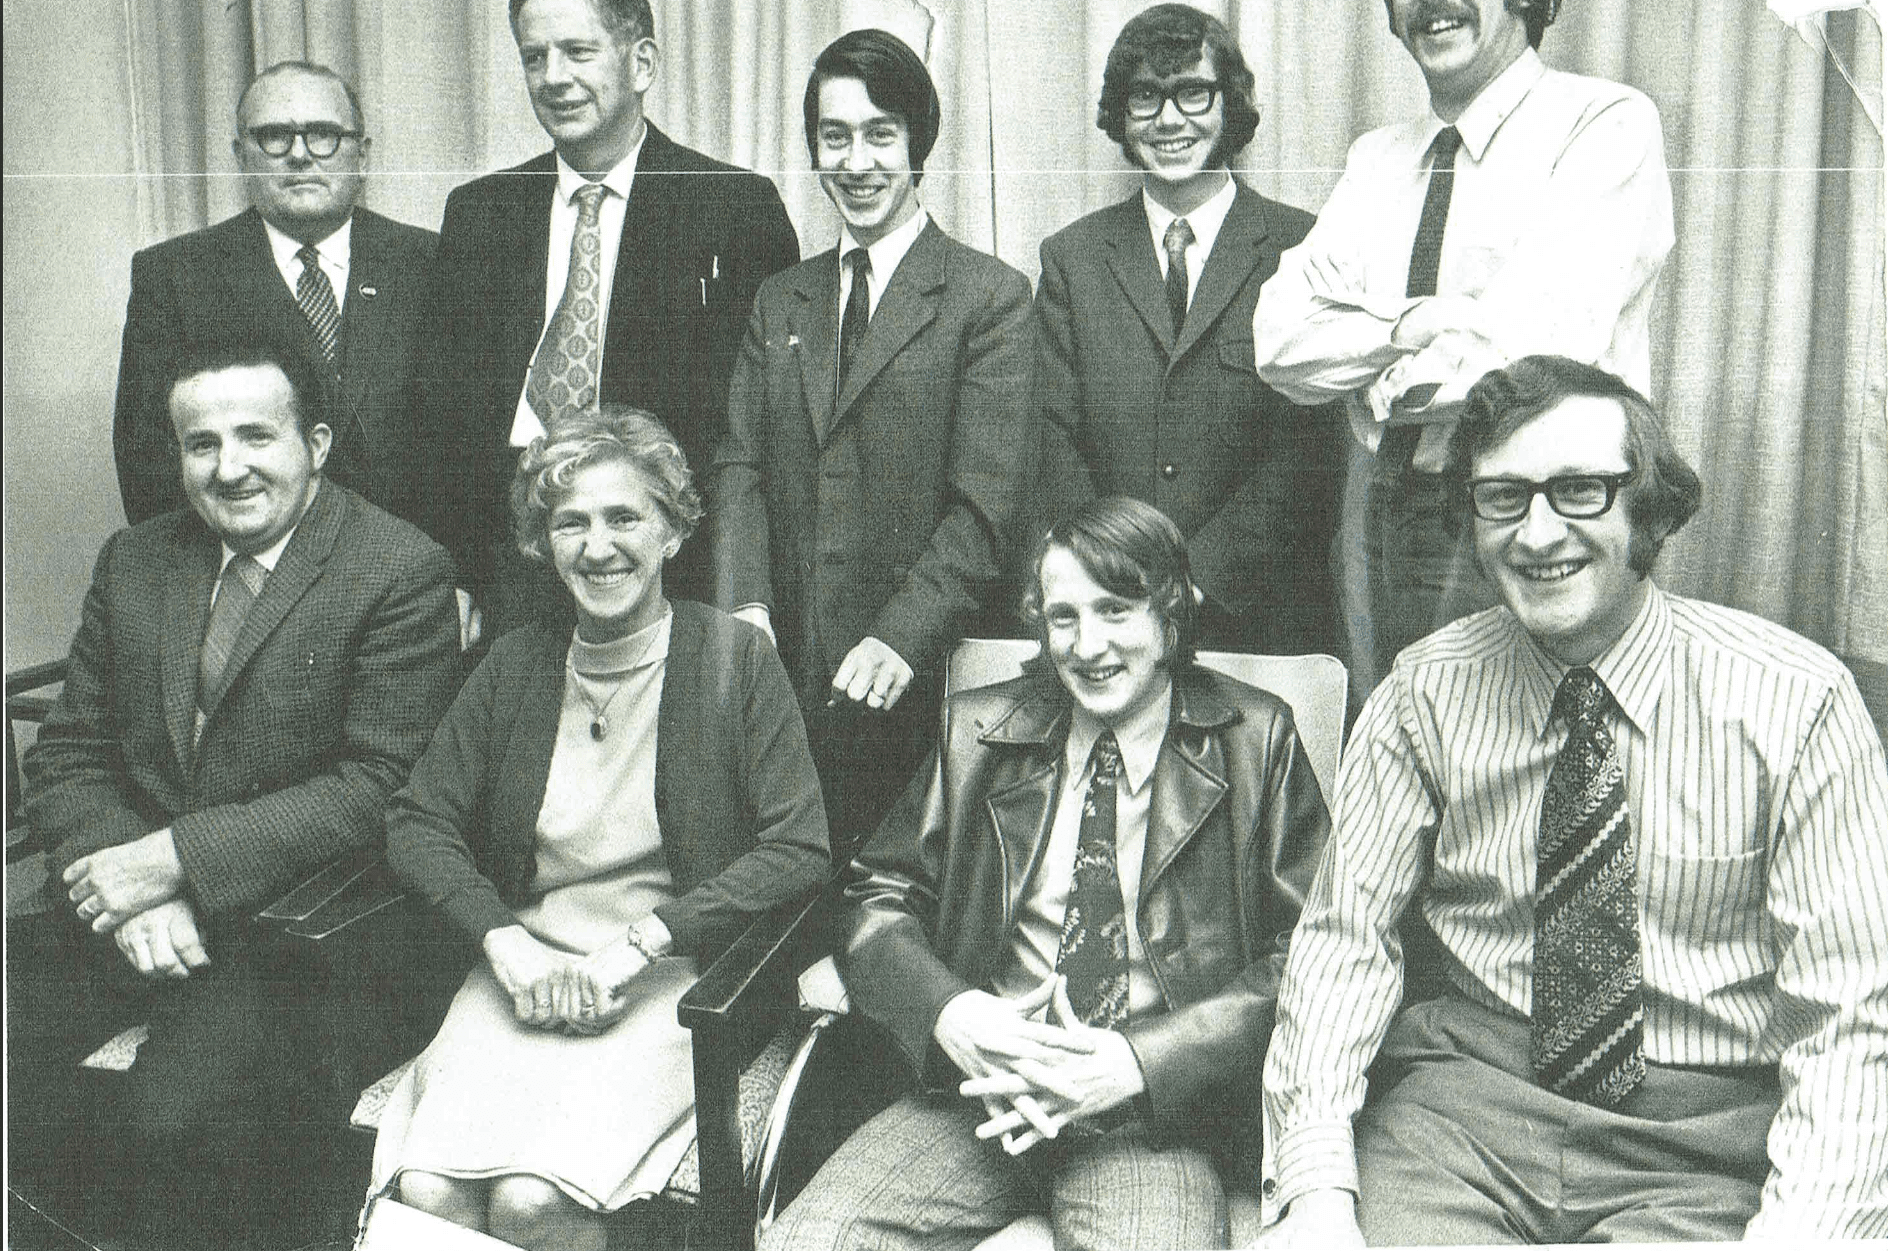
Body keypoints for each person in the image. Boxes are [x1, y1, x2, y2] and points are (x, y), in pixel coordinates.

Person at [1258, 356, 1888, 1246]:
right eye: (1503, 498)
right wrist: (1315, 1192)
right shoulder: (1421, 693)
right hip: (1463, 1120)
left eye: (1581, 491)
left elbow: (1854, 1015)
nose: (1538, 533)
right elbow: (1342, 946)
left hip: (1701, 1146)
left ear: (1652, 511)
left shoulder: (1797, 702)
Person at [767, 497, 1331, 1250]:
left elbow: (1315, 952)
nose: (1087, 644)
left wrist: (1140, 1060)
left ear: (1169, 615)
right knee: (806, 1241)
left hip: (1141, 1114)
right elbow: (876, 895)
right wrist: (950, 1012)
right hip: (980, 1091)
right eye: (1063, 616)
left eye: (1115, 610)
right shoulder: (977, 726)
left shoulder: (1256, 738)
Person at [9, 337, 462, 1240]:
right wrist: (131, 887)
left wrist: (175, 858)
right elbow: (68, 755)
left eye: (257, 436)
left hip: (300, 930)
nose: (230, 468)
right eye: (200, 444)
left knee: (178, 1121)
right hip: (131, 903)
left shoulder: (400, 570)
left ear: (317, 443)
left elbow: (380, 787)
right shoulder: (136, 561)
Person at [369, 407, 832, 1251]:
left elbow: (800, 848)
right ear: (543, 545)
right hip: (524, 973)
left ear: (674, 530)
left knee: (532, 1201)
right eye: (569, 522)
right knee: (430, 1192)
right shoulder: (515, 662)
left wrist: (646, 941)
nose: (599, 544)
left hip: (671, 987)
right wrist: (504, 943)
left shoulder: (735, 659)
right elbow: (416, 818)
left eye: (625, 516)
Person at [1254, 0, 1674, 682]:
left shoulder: (1604, 123)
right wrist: (1414, 324)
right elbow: (1278, 338)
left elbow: (1541, 345)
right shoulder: (1376, 158)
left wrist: (1374, 353)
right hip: (1376, 507)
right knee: (1392, 739)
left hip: (1533, 504)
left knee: (1518, 750)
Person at [710, 28, 1033, 851]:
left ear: (917, 141)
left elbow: (984, 508)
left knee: (891, 914)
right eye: (835, 137)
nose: (857, 162)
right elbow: (740, 463)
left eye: (880, 134)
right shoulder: (780, 298)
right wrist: (746, 605)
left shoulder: (988, 297)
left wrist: (901, 634)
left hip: (918, 673)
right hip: (784, 671)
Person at [417, 0, 799, 636]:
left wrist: (742, 592)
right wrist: (458, 576)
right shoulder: (480, 214)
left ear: (641, 62)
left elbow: (759, 432)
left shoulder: (733, 208)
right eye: (534, 57)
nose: (554, 77)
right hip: (515, 577)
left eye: (578, 51)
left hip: (674, 576)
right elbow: (443, 425)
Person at [1035, 5, 1343, 656]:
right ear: (1121, 114)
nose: (1169, 119)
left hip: (1262, 623)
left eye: (1192, 93)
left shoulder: (1303, 245)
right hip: (1108, 623)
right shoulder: (1073, 260)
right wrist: (1114, 583)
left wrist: (1193, 585)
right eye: (1146, 96)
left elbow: (1307, 450)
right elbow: (1051, 443)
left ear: (1230, 104)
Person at [113, 61, 437, 529]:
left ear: (362, 156)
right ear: (242, 156)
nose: (301, 155)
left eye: (324, 134)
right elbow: (148, 464)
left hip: (406, 576)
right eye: (274, 136)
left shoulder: (430, 262)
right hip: (245, 578)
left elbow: (462, 453)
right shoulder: (173, 277)